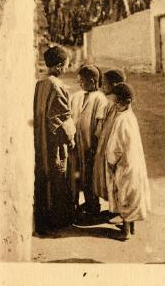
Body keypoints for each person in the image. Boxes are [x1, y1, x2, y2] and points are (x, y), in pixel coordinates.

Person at [34, 45, 76, 234]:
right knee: (58, 176)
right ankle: (57, 220)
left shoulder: (40, 84)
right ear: (59, 66)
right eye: (66, 65)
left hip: (41, 138)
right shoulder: (58, 86)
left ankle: (45, 219)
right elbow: (62, 118)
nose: (66, 69)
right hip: (55, 141)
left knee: (44, 176)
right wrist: (72, 138)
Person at [105, 83, 151, 240]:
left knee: (123, 194)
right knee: (132, 194)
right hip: (133, 162)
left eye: (117, 102)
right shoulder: (131, 117)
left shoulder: (121, 120)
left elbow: (116, 145)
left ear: (126, 102)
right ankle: (131, 228)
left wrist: (111, 161)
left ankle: (125, 232)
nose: (115, 105)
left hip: (124, 164)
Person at [71, 64, 108, 222]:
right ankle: (80, 205)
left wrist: (95, 143)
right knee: (77, 175)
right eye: (78, 82)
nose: (80, 85)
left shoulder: (100, 99)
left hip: (90, 145)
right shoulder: (77, 96)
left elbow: (99, 124)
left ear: (93, 82)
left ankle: (93, 207)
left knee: (90, 177)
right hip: (76, 144)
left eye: (82, 82)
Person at [93, 69, 126, 202]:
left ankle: (118, 208)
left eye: (105, 84)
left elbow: (101, 128)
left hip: (111, 144)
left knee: (113, 175)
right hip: (107, 142)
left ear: (115, 85)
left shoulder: (111, 104)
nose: (101, 87)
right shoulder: (114, 103)